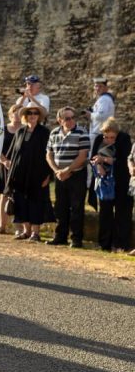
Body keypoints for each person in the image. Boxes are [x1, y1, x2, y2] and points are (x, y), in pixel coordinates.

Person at [3, 103, 53, 242]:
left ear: (39, 116)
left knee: (36, 202)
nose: (32, 115)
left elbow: (49, 155)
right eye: (29, 113)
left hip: (38, 174)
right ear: (25, 116)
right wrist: (11, 175)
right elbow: (13, 154)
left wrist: (48, 175)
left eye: (35, 113)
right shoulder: (20, 132)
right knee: (21, 202)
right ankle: (26, 231)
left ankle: (35, 233)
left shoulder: (44, 133)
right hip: (19, 175)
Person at [45, 106, 90, 247]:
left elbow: (83, 156)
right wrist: (57, 171)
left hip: (76, 176)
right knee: (60, 207)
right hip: (60, 176)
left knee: (77, 208)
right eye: (67, 118)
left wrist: (67, 170)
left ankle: (76, 239)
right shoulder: (54, 133)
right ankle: (60, 237)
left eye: (73, 117)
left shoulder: (82, 132)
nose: (71, 121)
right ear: (60, 120)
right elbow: (49, 155)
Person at [90, 118, 132, 252]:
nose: (108, 140)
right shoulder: (98, 140)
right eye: (106, 137)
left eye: (112, 137)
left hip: (121, 181)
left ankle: (121, 244)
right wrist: (98, 166)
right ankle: (104, 243)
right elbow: (92, 158)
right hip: (104, 182)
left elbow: (125, 160)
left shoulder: (124, 139)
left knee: (122, 213)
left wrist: (106, 159)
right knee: (105, 212)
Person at [0, 103, 23, 234]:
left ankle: (19, 228)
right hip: (4, 166)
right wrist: (4, 161)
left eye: (19, 112)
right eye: (14, 112)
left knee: (19, 196)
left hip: (20, 167)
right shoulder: (2, 130)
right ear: (10, 115)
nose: (16, 115)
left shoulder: (25, 130)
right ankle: (2, 226)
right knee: (4, 195)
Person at [81, 77, 115, 145]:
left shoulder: (104, 99)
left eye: (100, 86)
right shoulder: (103, 99)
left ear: (106, 88)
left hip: (98, 133)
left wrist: (90, 114)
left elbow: (101, 116)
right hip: (99, 132)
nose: (98, 88)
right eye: (96, 86)